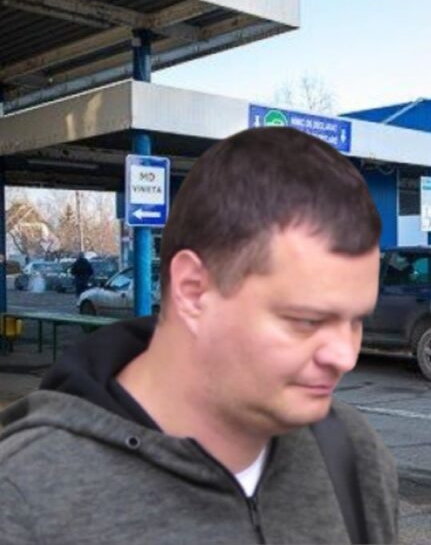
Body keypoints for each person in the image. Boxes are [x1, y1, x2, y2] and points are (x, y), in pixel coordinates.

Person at [0, 127, 399, 544]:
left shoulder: (353, 454)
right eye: (307, 321)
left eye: (356, 320)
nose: (344, 356)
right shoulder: (25, 500)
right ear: (193, 291)